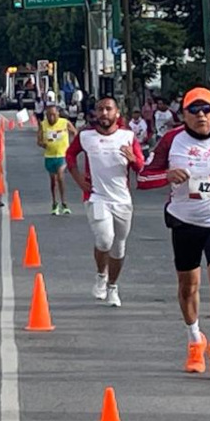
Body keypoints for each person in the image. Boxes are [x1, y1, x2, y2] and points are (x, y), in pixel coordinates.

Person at [138, 87, 210, 376]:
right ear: (184, 114)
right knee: (188, 286)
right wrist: (165, 175)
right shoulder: (171, 140)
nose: (201, 116)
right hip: (184, 221)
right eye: (194, 110)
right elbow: (142, 177)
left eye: (207, 110)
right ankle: (194, 340)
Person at [65, 96, 144, 308]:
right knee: (104, 239)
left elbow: (141, 167)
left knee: (118, 247)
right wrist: (79, 179)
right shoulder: (86, 136)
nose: (104, 113)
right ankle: (101, 274)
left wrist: (133, 159)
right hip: (96, 197)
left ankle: (112, 287)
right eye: (100, 109)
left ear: (117, 113)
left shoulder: (127, 136)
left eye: (108, 109)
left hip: (122, 199)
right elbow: (70, 155)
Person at [37, 102, 76, 215]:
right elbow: (38, 141)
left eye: (54, 114)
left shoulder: (64, 123)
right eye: (49, 115)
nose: (51, 117)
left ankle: (64, 203)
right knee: (53, 181)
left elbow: (75, 133)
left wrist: (72, 147)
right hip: (49, 156)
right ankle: (55, 203)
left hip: (62, 155)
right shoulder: (43, 125)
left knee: (60, 176)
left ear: (58, 114)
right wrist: (43, 144)